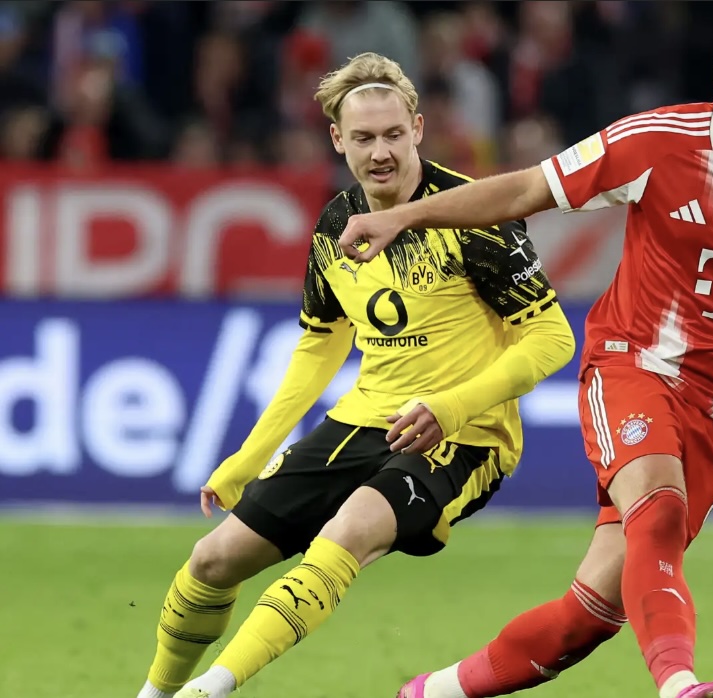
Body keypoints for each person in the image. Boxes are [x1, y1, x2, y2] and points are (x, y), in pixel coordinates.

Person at [342, 17, 713, 698]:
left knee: (590, 617)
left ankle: (432, 693)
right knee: (658, 509)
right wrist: (403, 216)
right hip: (631, 366)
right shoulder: (653, 143)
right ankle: (680, 685)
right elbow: (525, 190)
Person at [133, 52, 576, 698]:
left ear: (418, 128)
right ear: (338, 139)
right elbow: (320, 344)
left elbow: (553, 336)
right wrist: (248, 457)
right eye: (364, 138)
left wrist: (451, 406)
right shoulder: (336, 225)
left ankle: (214, 688)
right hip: (365, 418)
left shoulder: (473, 215)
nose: (381, 153)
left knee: (343, 537)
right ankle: (154, 693)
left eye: (394, 134)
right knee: (212, 560)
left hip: (464, 436)